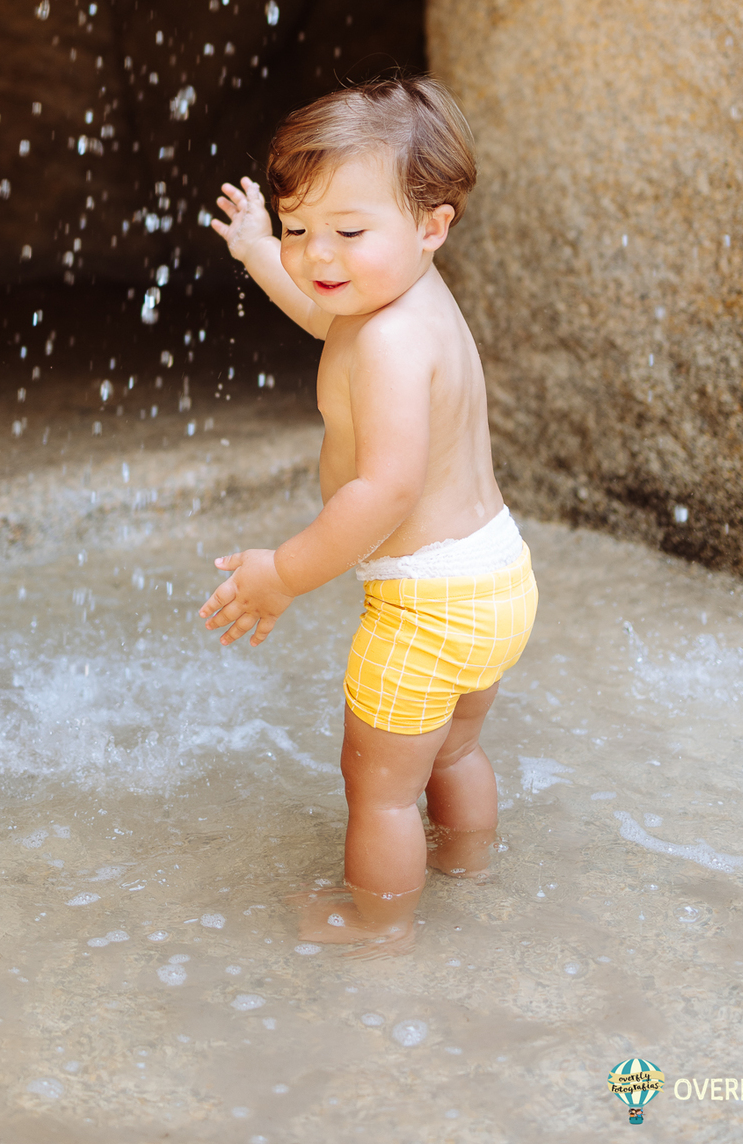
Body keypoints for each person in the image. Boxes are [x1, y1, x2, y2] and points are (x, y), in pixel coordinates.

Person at [199, 77, 538, 949]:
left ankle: (377, 925)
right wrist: (256, 251)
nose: (321, 254)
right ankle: (469, 865)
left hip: (425, 605)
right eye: (300, 226)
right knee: (454, 752)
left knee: (380, 790)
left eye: (349, 232)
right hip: (495, 578)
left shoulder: (386, 341)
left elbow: (384, 492)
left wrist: (283, 574)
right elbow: (321, 309)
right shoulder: (403, 302)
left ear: (433, 226)